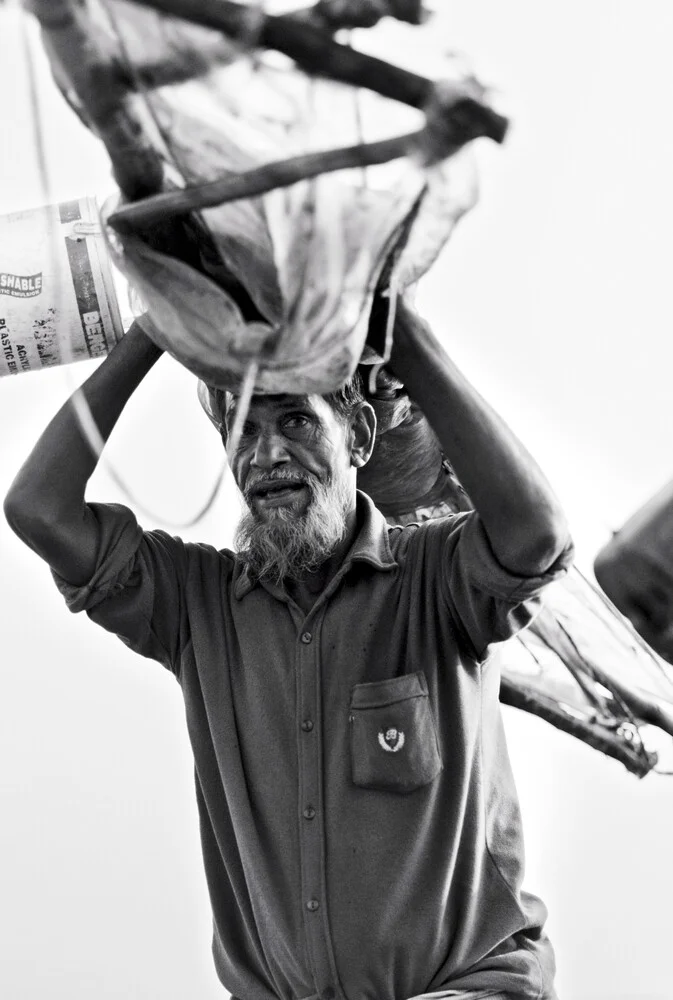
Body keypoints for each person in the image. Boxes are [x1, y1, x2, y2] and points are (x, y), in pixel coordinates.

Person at [4, 298, 573, 1000]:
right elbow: (38, 509)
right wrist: (152, 333)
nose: (266, 453)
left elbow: (535, 536)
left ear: (358, 434)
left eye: (296, 420)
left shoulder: (437, 577)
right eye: (243, 429)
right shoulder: (197, 604)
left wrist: (406, 338)